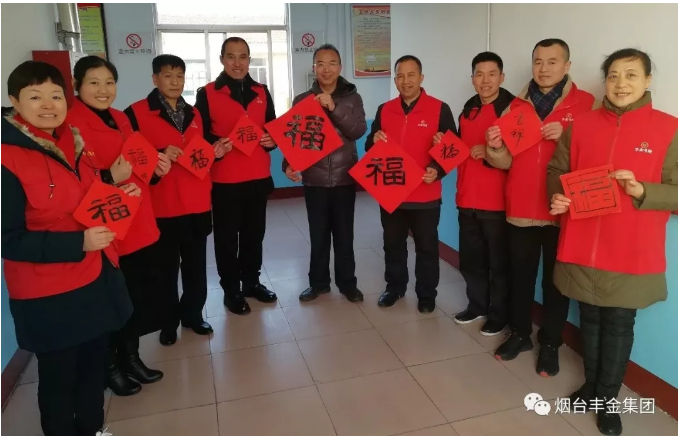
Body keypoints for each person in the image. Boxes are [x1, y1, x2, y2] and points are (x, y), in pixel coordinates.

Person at [1, 61, 136, 435]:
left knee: (92, 370)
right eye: (35, 97)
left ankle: (92, 430)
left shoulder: (73, 143)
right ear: (15, 101)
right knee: (60, 379)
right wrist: (79, 241)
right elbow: (7, 238)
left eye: (56, 96)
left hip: (94, 278)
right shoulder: (7, 157)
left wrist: (117, 192)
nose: (48, 105)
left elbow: (82, 200)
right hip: (49, 294)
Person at [547, 49, 677, 436]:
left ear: (647, 80)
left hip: (630, 249)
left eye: (631, 75)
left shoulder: (668, 128)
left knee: (619, 324)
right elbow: (557, 170)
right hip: (583, 241)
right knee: (589, 319)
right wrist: (558, 195)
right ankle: (591, 388)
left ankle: (606, 398)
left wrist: (642, 190)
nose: (621, 84)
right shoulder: (582, 125)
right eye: (614, 75)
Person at [486, 39, 596, 376]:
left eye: (552, 61)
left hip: (562, 210)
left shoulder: (586, 104)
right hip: (521, 206)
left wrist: (568, 134)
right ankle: (520, 334)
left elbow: (598, 155)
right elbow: (504, 161)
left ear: (567, 65)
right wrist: (494, 147)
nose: (543, 68)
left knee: (555, 283)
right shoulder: (515, 106)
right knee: (520, 277)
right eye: (538, 61)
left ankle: (550, 342)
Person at [69, 56, 172, 396]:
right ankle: (109, 367)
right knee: (110, 302)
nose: (103, 90)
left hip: (137, 221)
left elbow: (136, 163)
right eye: (94, 82)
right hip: (106, 229)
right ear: (77, 85)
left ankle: (131, 358)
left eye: (109, 82)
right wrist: (109, 177)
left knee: (135, 298)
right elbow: (73, 181)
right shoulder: (70, 123)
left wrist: (155, 170)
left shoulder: (120, 117)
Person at [125, 54, 214, 346]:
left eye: (179, 76)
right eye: (167, 75)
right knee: (164, 270)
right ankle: (168, 321)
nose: (174, 82)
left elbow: (201, 152)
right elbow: (127, 156)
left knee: (196, 266)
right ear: (155, 79)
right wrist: (159, 153)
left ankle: (193, 314)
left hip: (197, 203)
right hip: (161, 206)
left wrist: (216, 151)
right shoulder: (135, 113)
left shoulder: (194, 113)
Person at [365, 55, 456, 313]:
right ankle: (394, 287)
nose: (406, 81)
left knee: (427, 248)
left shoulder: (439, 109)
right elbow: (369, 145)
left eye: (411, 75)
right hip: (391, 192)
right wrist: (374, 141)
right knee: (393, 245)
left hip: (425, 194)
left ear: (421, 78)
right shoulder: (384, 110)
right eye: (400, 76)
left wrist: (437, 170)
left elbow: (453, 148)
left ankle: (426, 295)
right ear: (395, 80)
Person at [195, 37, 278, 316]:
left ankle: (251, 282)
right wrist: (215, 146)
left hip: (257, 176)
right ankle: (231, 289)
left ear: (249, 60)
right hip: (225, 180)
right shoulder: (207, 93)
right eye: (231, 56)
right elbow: (199, 135)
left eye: (243, 56)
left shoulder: (262, 91)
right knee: (227, 238)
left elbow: (273, 128)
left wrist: (272, 140)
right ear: (221, 59)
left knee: (254, 235)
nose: (237, 63)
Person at [283, 44, 367, 303]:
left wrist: (334, 107)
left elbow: (358, 130)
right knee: (318, 235)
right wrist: (287, 165)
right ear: (314, 68)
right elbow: (294, 137)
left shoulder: (352, 98)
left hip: (344, 177)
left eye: (332, 63)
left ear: (340, 67)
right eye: (321, 63)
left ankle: (347, 284)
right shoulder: (302, 100)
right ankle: (318, 284)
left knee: (344, 236)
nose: (326, 69)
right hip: (314, 179)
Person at [452, 52, 514, 337]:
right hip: (467, 198)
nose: (485, 80)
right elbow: (457, 150)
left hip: (497, 203)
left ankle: (499, 315)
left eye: (492, 74)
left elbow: (519, 157)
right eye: (479, 74)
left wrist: (490, 154)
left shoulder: (512, 111)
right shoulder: (467, 110)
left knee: (498, 265)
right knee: (471, 260)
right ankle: (477, 306)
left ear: (502, 77)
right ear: (472, 79)